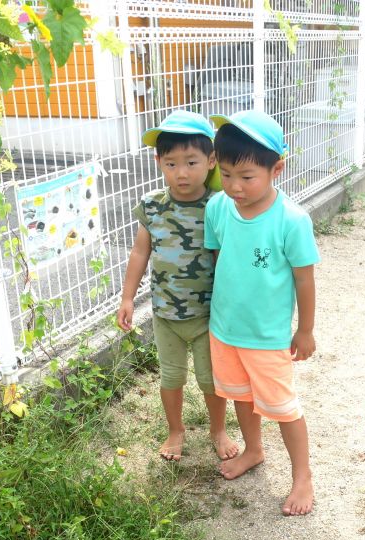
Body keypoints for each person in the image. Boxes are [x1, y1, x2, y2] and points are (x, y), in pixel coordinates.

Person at [204, 110, 320, 516]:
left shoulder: (291, 220)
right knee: (238, 394)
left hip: (267, 336)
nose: (235, 186)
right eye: (227, 173)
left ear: (277, 168)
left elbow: (305, 281)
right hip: (224, 328)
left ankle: (302, 476)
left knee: (283, 407)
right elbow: (221, 256)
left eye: (247, 176)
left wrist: (305, 330)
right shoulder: (218, 207)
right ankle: (253, 449)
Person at [116, 110, 238, 462]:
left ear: (211, 160)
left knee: (211, 379)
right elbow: (140, 252)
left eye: (191, 161)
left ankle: (218, 429)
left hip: (208, 313)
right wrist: (127, 298)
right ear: (158, 162)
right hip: (165, 313)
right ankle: (175, 430)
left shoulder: (219, 206)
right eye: (171, 164)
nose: (181, 172)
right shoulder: (152, 207)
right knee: (171, 377)